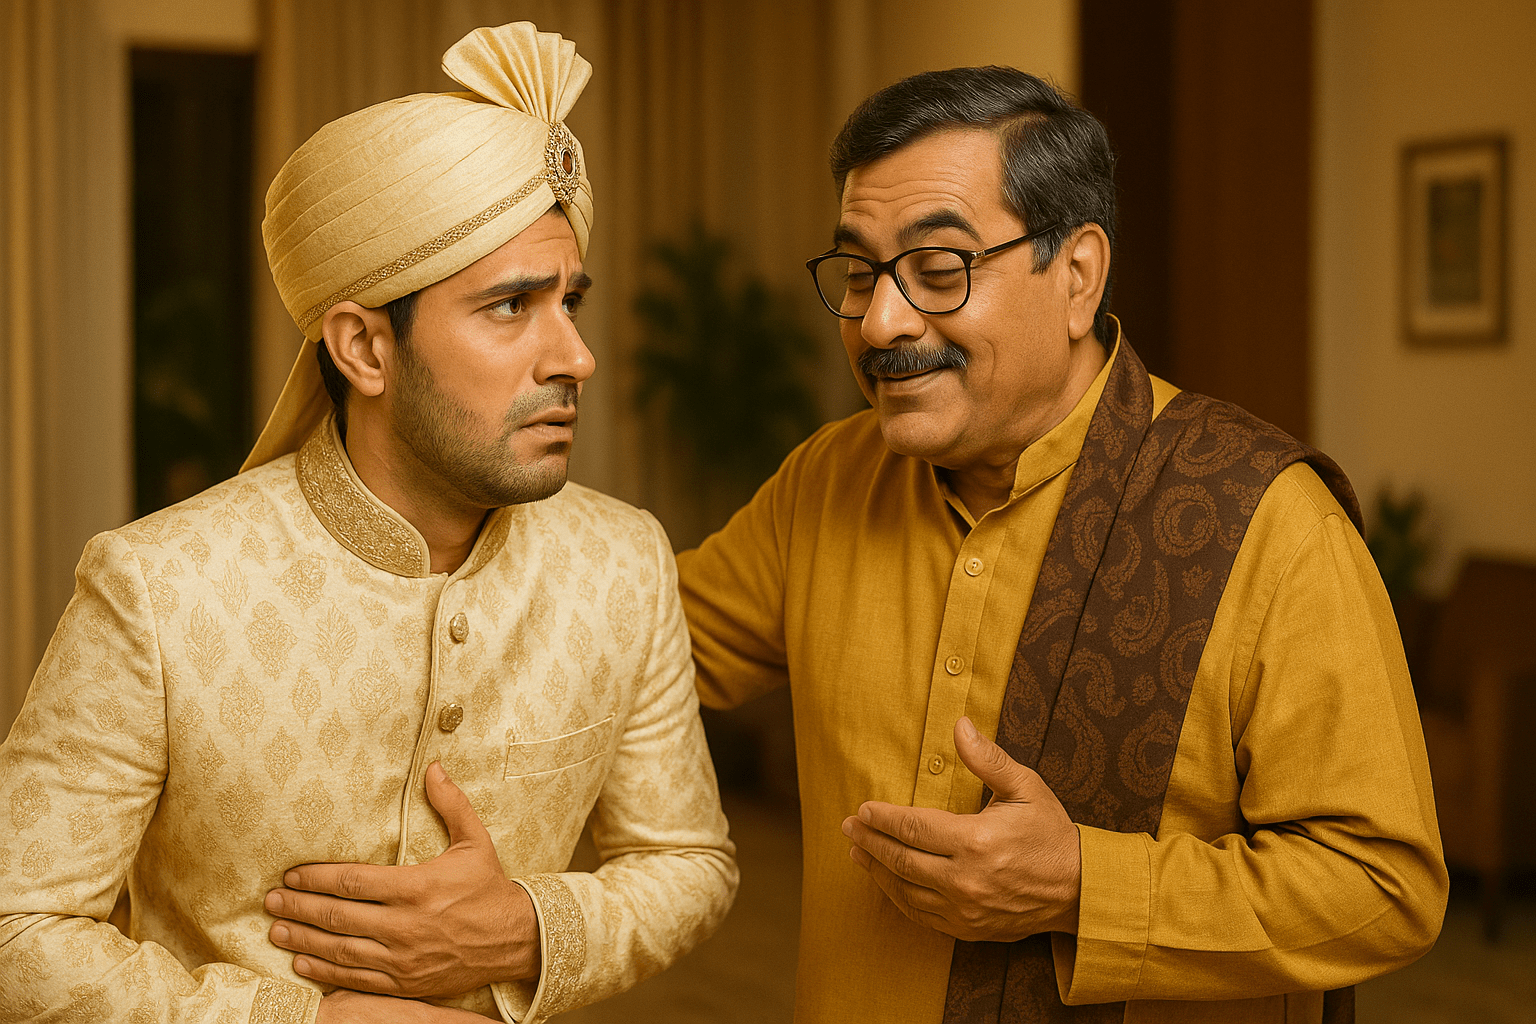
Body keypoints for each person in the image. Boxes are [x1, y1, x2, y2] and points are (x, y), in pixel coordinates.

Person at [0, 22, 735, 1024]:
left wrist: (528, 925)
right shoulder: (159, 590)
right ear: (363, 349)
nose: (574, 356)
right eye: (512, 306)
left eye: (572, 301)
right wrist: (299, 1020)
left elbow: (688, 858)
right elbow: (16, 928)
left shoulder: (622, 562)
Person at [677, 67, 1445, 1023]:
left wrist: (1086, 885)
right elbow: (629, 655)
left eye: (939, 270)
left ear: (1077, 275)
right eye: (862, 271)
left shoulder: (1265, 520)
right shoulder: (831, 481)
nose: (880, 322)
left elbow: (1385, 886)